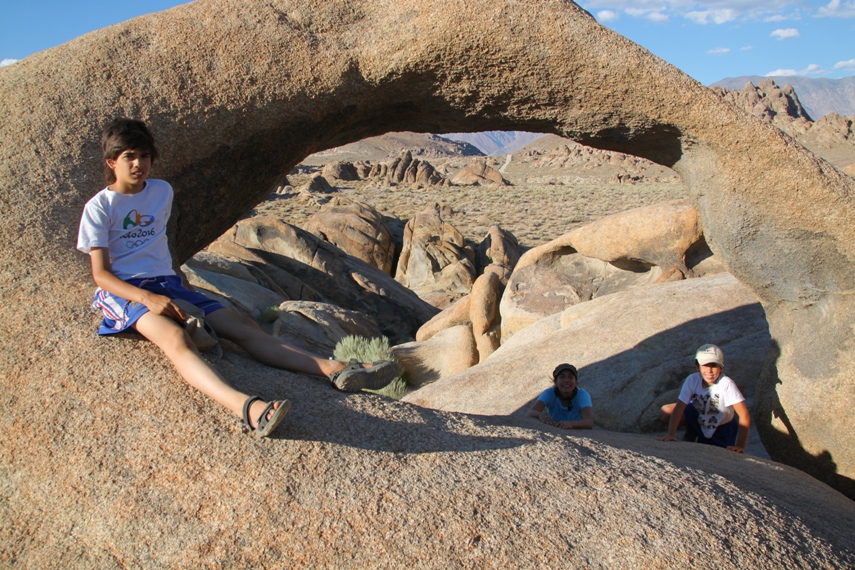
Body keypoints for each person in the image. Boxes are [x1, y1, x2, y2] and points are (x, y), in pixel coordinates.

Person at [77, 118, 399, 438]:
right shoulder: (100, 208)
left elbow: (155, 244)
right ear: (112, 162)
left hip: (168, 282)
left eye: (145, 156)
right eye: (129, 157)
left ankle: (337, 369)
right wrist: (146, 298)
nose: (139, 164)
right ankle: (247, 408)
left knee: (244, 327)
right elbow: (101, 274)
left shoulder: (161, 192)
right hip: (125, 292)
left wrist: (174, 284)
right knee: (175, 339)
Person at [657, 344, 751, 453]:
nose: (709, 370)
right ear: (697, 366)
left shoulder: (727, 384)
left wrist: (740, 446)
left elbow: (744, 415)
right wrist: (671, 434)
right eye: (705, 365)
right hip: (699, 414)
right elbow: (679, 407)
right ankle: (692, 431)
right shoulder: (692, 380)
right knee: (666, 411)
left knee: (716, 452)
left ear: (721, 368)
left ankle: (699, 433)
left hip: (721, 426)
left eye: (714, 366)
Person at [527, 363, 594, 429]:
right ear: (555, 382)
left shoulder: (582, 395)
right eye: (562, 377)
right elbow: (530, 412)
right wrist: (540, 415)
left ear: (576, 382)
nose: (566, 380)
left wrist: (571, 424)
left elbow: (589, 422)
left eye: (570, 377)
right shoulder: (549, 393)